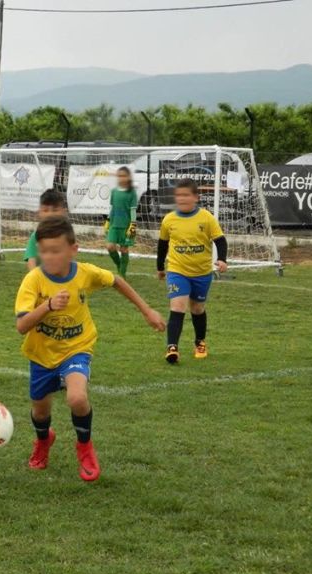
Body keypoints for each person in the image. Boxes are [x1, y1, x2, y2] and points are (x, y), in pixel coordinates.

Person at [15, 216, 165, 481]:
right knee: (40, 411)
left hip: (77, 348)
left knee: (77, 398)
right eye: (44, 251)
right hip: (41, 354)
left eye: (56, 251)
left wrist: (147, 310)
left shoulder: (85, 273)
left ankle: (85, 447)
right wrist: (47, 306)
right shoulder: (33, 281)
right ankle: (43, 440)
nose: (49, 257)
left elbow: (116, 281)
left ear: (73, 250)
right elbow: (22, 326)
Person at [157, 178, 228, 364]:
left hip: (202, 272)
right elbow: (162, 244)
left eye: (186, 195)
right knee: (178, 306)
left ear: (196, 197)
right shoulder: (169, 220)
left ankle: (200, 342)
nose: (182, 199)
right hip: (177, 270)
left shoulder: (206, 218)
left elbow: (220, 240)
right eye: (179, 195)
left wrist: (221, 259)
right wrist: (159, 267)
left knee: (197, 309)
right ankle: (172, 348)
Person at [104, 166, 138, 277]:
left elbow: (133, 210)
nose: (121, 178)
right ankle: (119, 265)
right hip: (114, 224)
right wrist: (108, 220)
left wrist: (132, 225)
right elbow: (112, 208)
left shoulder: (132, 193)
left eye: (123, 176)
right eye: (119, 176)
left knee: (124, 249)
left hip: (126, 226)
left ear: (128, 177)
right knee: (110, 246)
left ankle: (122, 275)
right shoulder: (114, 191)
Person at [25, 189, 68, 271]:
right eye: (45, 210)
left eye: (55, 210)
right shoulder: (36, 235)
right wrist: (35, 278)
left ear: (64, 212)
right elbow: (31, 259)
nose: (50, 214)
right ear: (39, 212)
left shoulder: (67, 235)